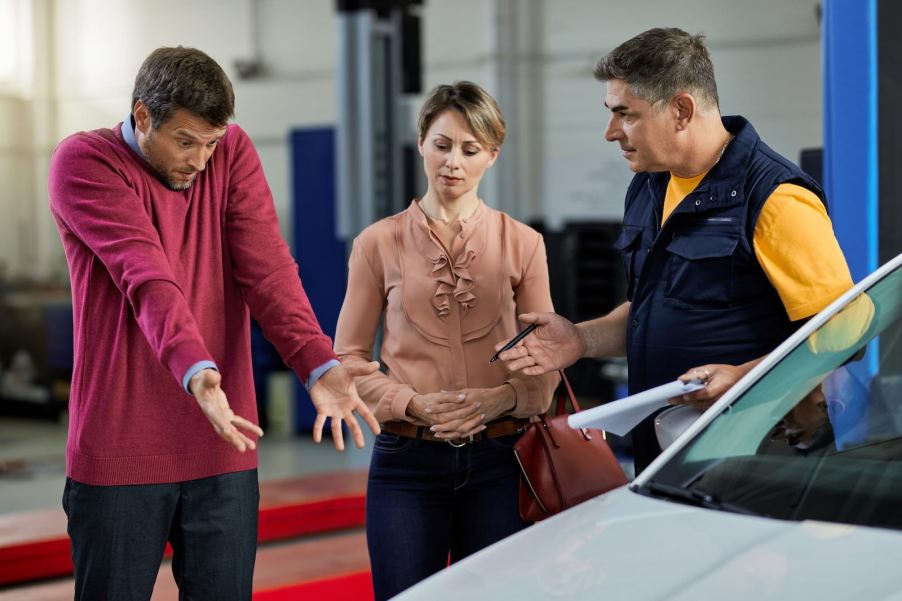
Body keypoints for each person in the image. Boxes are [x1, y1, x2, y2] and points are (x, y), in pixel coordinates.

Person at [47, 46, 380, 601]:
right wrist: (197, 369)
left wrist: (318, 364)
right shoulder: (83, 162)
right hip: (121, 448)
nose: (200, 160)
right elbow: (145, 272)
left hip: (225, 444)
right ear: (142, 115)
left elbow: (268, 268)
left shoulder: (230, 152)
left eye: (211, 143)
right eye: (185, 142)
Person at [496, 27, 853, 474]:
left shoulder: (775, 197)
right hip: (665, 454)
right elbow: (654, 306)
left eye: (625, 114)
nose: (610, 132)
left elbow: (844, 333)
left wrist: (741, 378)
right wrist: (580, 339)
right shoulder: (649, 185)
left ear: (681, 110)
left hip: (755, 459)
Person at [333, 81, 559, 600]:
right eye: (442, 144)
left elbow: (547, 356)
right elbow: (347, 359)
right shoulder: (376, 243)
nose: (453, 162)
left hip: (503, 459)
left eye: (470, 149)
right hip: (405, 463)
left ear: (492, 156)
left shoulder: (523, 243)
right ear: (420, 143)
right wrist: (411, 404)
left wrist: (501, 398)